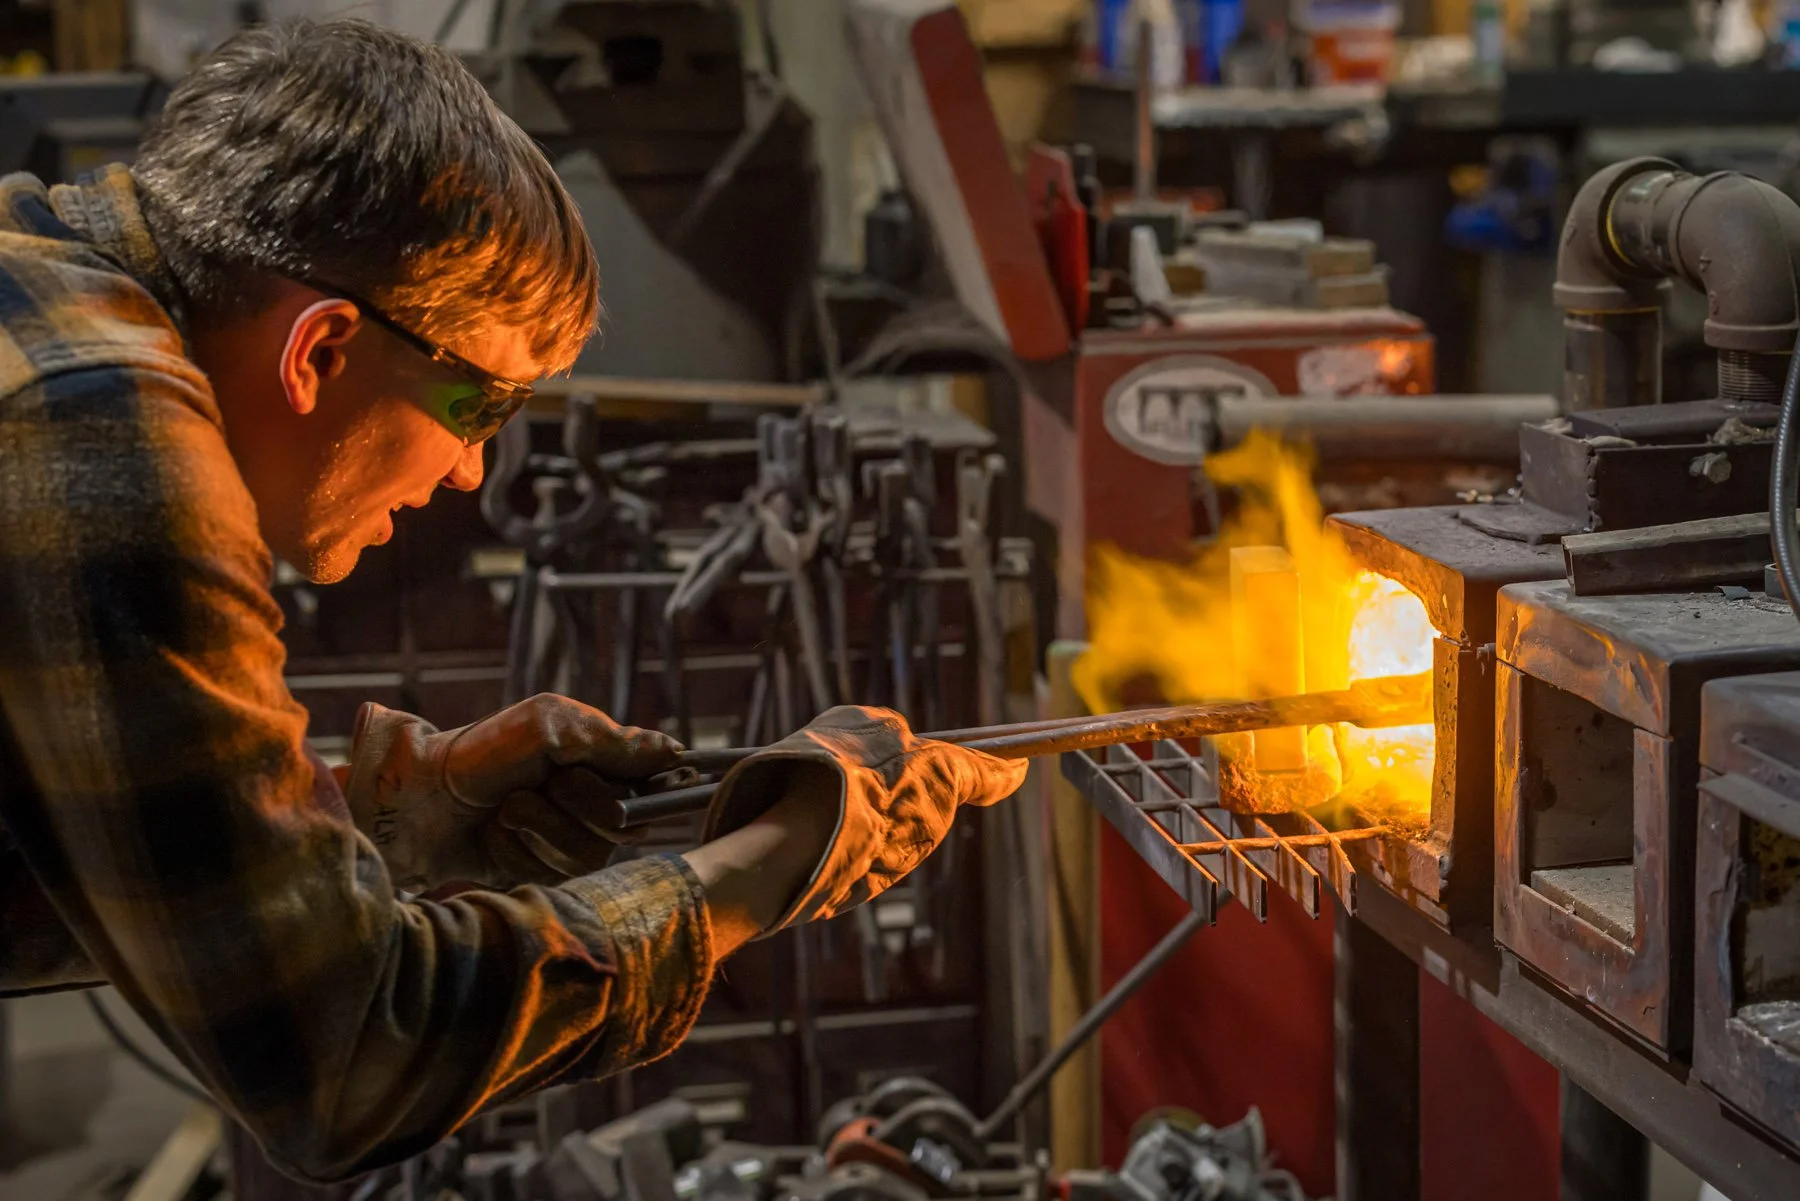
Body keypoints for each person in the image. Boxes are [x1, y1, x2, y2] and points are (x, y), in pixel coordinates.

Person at [0, 17, 1025, 1185]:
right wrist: (780, 854)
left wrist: (374, 836)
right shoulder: (99, 432)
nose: (475, 472)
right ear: (321, 350)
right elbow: (349, 1060)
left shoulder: (33, 269)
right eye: (481, 406)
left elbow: (115, 861)